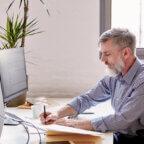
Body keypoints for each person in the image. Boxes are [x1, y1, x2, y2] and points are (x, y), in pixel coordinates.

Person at [40, 28, 144, 144]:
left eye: (107, 54)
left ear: (126, 53)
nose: (102, 60)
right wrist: (57, 114)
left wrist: (73, 124)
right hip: (122, 136)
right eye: (101, 53)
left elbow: (122, 120)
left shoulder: (142, 81)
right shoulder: (115, 75)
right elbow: (87, 98)